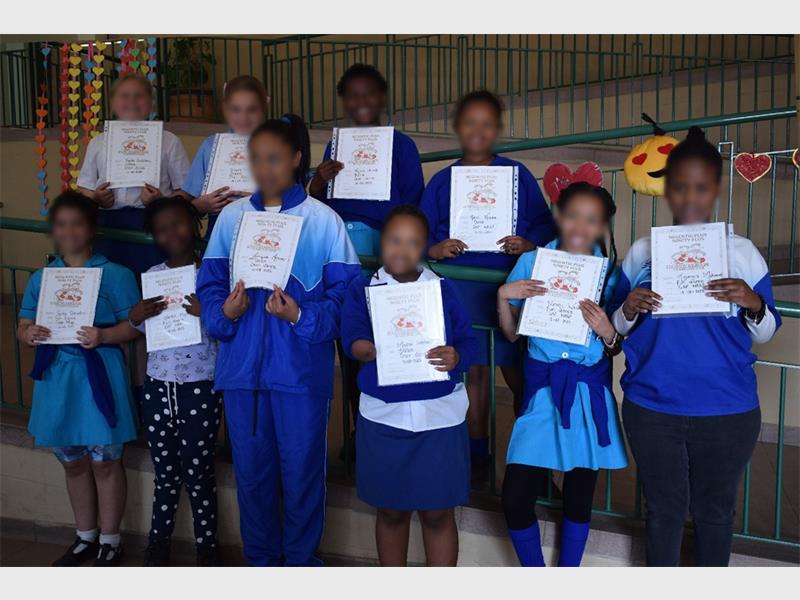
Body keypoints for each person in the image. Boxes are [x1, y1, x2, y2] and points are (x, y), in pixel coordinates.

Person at [609, 127, 782, 566]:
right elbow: (616, 327)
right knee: (663, 511)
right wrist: (628, 306)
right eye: (680, 186)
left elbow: (766, 331)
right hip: (653, 408)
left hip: (726, 410)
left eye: (701, 187)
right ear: (668, 190)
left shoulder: (742, 253)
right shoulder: (643, 252)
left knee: (715, 513)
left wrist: (752, 301)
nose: (690, 197)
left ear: (715, 190)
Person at [197, 114, 361, 566]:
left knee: (302, 475)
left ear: (295, 158)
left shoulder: (323, 221)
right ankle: (262, 564)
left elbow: (347, 299)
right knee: (252, 477)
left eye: (274, 158)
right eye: (256, 159)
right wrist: (225, 313)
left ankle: (301, 564)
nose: (264, 168)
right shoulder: (230, 220)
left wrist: (300, 316)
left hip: (300, 375)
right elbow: (209, 288)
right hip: (241, 373)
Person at [420, 90, 556, 469]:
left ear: (497, 129)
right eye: (469, 123)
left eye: (486, 123)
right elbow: (419, 232)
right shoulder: (443, 181)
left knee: (522, 375)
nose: (477, 131)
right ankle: (477, 456)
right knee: (475, 374)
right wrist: (435, 248)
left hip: (510, 289)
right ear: (457, 127)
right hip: (463, 291)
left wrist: (528, 244)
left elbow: (545, 226)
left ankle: (530, 462)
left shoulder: (517, 175)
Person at [496, 182, 627, 566]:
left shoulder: (611, 275)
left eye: (591, 219)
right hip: (542, 391)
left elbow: (616, 344)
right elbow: (511, 334)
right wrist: (504, 296)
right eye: (572, 216)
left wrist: (606, 330)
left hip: (588, 392)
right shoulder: (532, 262)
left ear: (602, 225)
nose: (580, 226)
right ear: (559, 216)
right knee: (516, 497)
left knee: (579, 496)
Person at [341, 204, 478, 566]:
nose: (401, 250)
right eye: (394, 240)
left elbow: (469, 342)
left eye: (412, 243)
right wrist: (365, 348)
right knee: (390, 511)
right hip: (384, 418)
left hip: (439, 418)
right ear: (381, 242)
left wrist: (457, 356)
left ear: (424, 248)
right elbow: (351, 335)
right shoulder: (362, 290)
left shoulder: (443, 290)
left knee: (438, 513)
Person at [16, 191, 140, 566]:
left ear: (91, 228)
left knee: (105, 461)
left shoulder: (116, 275)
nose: (69, 231)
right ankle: (85, 537)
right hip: (58, 377)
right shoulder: (42, 278)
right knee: (72, 461)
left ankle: (111, 540)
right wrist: (29, 333)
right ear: (54, 229)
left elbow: (135, 325)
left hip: (99, 373)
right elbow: (22, 324)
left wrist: (104, 335)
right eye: (61, 224)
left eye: (77, 223)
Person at [308, 63, 425, 447]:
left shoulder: (402, 146)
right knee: (350, 341)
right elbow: (320, 204)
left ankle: (386, 431)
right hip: (340, 252)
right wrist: (319, 181)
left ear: (381, 98)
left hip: (384, 253)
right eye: (353, 94)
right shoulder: (335, 146)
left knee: (385, 340)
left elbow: (413, 203)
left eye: (369, 93)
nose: (361, 101)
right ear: (344, 101)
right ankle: (360, 432)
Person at [128, 196, 223, 567]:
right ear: (155, 236)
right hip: (158, 385)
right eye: (162, 229)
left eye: (179, 223)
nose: (173, 233)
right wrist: (137, 315)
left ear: (196, 225)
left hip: (200, 386)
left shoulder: (212, 276)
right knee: (165, 473)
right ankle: (158, 546)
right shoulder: (154, 275)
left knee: (199, 471)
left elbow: (227, 325)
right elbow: (141, 327)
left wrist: (206, 311)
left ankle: (207, 547)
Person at [77, 72, 190, 274]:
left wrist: (161, 201)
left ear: (151, 104)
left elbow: (187, 191)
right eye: (124, 95)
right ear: (113, 104)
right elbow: (83, 188)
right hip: (109, 226)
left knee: (151, 284)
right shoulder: (97, 143)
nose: (132, 101)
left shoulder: (169, 141)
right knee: (112, 283)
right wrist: (96, 197)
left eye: (139, 95)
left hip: (155, 226)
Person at [182, 75, 269, 239]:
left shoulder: (278, 147)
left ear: (264, 107)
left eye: (252, 109)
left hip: (262, 233)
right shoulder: (210, 146)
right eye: (236, 109)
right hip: (219, 232)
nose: (243, 118)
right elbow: (188, 199)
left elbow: (292, 201)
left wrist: (263, 201)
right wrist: (199, 206)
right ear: (225, 108)